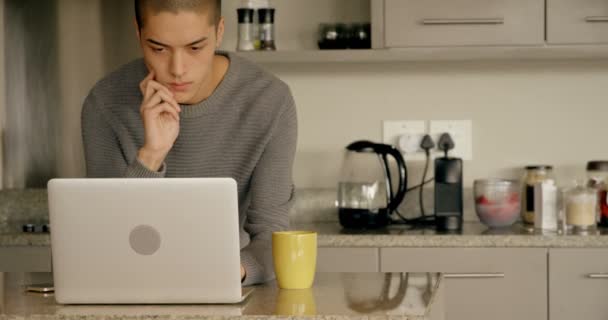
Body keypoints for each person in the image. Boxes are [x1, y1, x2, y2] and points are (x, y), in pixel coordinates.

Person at [81, 0, 297, 286]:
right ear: (138, 32)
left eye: (195, 47)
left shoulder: (269, 101)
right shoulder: (105, 103)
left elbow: (273, 237)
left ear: (219, 31)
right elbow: (106, 243)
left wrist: (226, 273)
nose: (178, 69)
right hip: (131, 286)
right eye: (158, 48)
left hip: (225, 285)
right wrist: (151, 155)